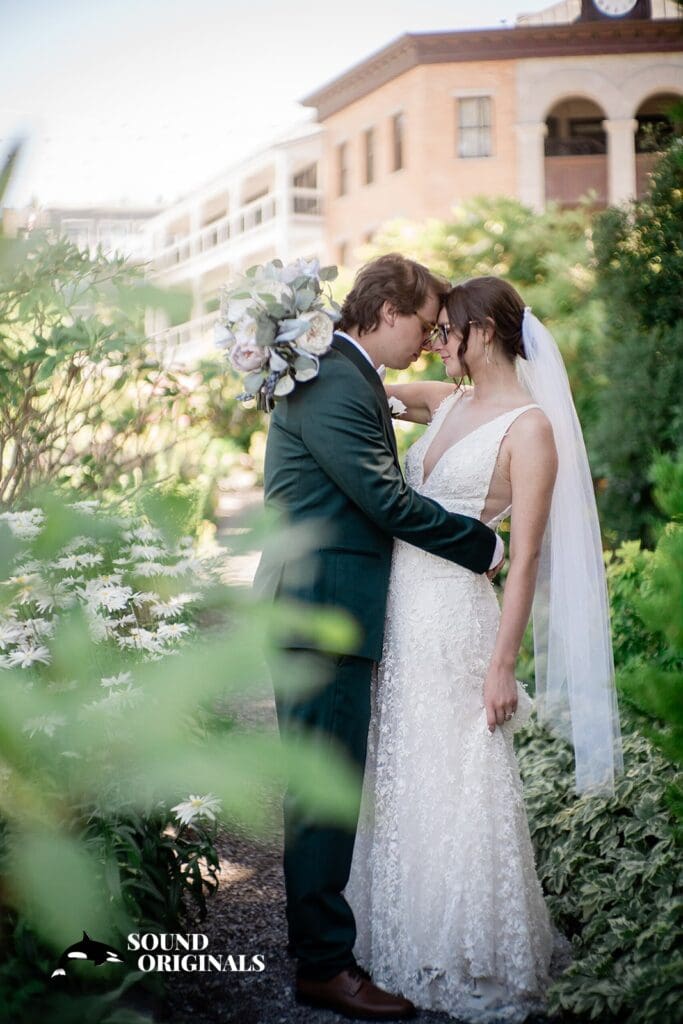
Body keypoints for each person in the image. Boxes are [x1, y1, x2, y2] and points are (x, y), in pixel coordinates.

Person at [345, 275, 623, 1023]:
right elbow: (371, 389)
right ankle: (401, 931)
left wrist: (502, 664)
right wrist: (298, 355)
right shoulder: (448, 399)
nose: (437, 342)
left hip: (459, 622)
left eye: (448, 331)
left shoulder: (530, 429)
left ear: (485, 332)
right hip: (400, 608)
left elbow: (523, 558)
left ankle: (471, 946)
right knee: (403, 763)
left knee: (460, 773)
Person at [254, 254, 506, 1020]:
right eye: (426, 325)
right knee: (324, 787)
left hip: (326, 607)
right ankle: (324, 967)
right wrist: (484, 547)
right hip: (317, 608)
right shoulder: (332, 377)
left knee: (327, 781)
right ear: (389, 310)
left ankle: (324, 952)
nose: (428, 341)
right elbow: (384, 498)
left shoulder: (341, 372)